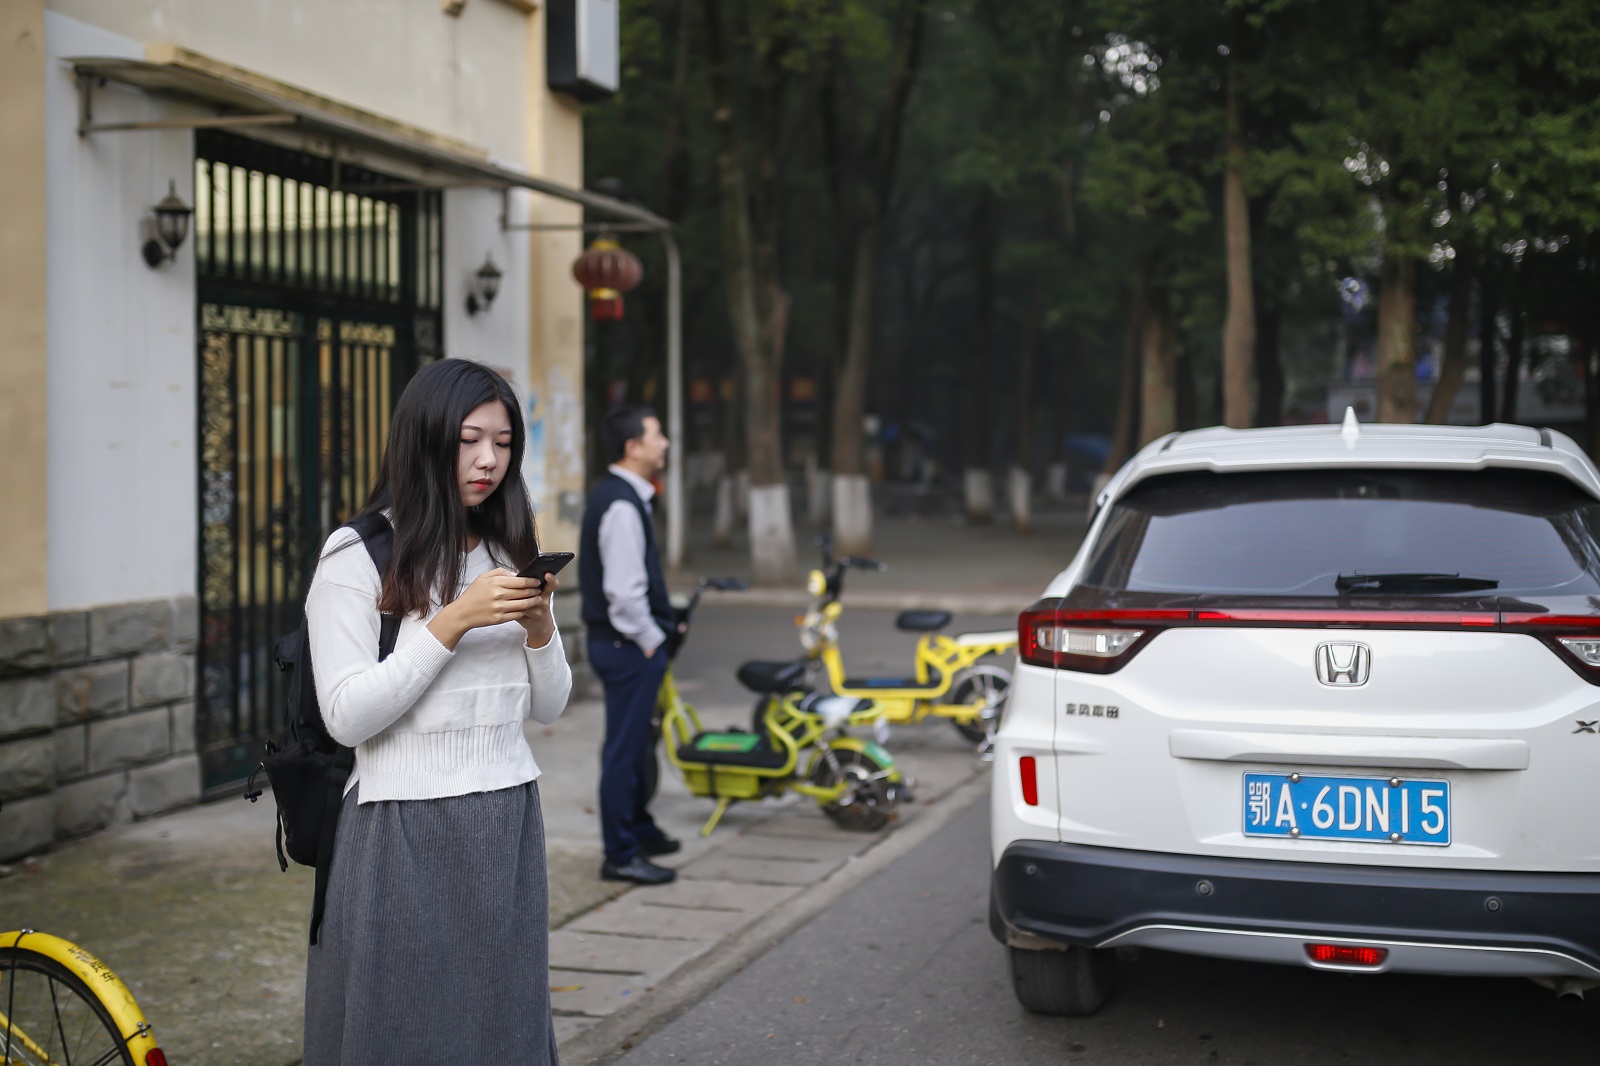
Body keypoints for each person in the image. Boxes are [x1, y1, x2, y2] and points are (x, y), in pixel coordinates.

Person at [301, 358, 571, 1065]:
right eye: (469, 440)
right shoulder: (357, 555)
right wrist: (451, 622)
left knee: (501, 1025)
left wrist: (540, 628)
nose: (488, 460)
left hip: (508, 814)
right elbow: (346, 716)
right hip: (402, 823)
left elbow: (551, 705)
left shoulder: (507, 549)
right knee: (404, 1028)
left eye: (503, 443)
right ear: (424, 439)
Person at [581, 405, 683, 886]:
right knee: (625, 750)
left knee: (639, 742)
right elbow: (624, 594)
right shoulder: (621, 505)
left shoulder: (625, 496)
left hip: (624, 644)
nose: (665, 443)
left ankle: (638, 828)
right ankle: (620, 853)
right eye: (656, 435)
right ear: (633, 447)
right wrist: (650, 641)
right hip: (626, 645)